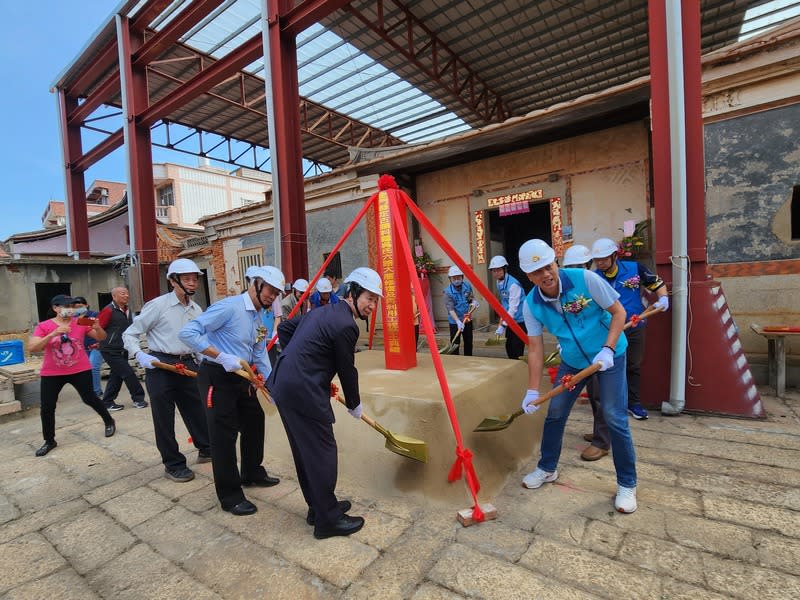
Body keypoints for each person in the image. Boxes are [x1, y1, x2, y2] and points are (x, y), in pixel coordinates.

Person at [517, 239, 639, 514]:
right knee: (555, 414)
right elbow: (535, 348)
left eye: (548, 267)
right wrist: (532, 390)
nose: (545, 275)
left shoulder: (585, 279)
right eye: (537, 272)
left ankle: (627, 484)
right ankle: (547, 468)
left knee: (614, 416)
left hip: (610, 357)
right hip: (572, 363)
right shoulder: (531, 304)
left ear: (555, 263)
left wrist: (608, 349)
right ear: (528, 275)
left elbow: (619, 313)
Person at [268, 267, 382, 539]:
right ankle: (328, 521)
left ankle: (318, 507)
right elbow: (347, 369)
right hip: (302, 392)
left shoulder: (320, 312)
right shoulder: (346, 325)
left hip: (285, 385)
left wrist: (305, 366)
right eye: (369, 297)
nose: (372, 305)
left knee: (305, 452)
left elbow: (285, 329)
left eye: (376, 300)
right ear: (353, 293)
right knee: (322, 454)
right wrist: (354, 404)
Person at [179, 265, 285, 516]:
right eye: (270, 289)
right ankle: (230, 494)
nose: (273, 296)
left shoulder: (260, 317)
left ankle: (252, 472)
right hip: (217, 376)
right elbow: (188, 333)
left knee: (254, 422)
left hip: (243, 377)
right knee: (223, 435)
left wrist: (271, 383)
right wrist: (220, 355)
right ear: (256, 284)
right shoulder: (229, 307)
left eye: (277, 292)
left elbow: (259, 353)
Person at [122, 259, 213, 483]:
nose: (193, 283)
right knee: (164, 417)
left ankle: (206, 448)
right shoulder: (158, 305)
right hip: (160, 365)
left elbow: (198, 340)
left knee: (197, 410)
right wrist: (139, 354)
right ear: (173, 281)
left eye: (195, 279)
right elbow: (130, 334)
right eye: (187, 279)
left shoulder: (196, 308)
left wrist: (205, 362)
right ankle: (173, 463)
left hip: (187, 363)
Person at [591, 237, 670, 420]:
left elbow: (657, 283)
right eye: (597, 259)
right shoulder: (593, 277)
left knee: (633, 365)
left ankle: (633, 404)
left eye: (604, 258)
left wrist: (663, 297)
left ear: (614, 256)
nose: (601, 263)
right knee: (607, 368)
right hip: (608, 329)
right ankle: (613, 406)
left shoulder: (635, 269)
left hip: (634, 325)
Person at [28, 295, 116, 456]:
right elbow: (33, 347)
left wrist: (97, 327)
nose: (70, 309)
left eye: (72, 306)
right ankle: (49, 440)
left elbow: (101, 337)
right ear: (56, 308)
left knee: (90, 398)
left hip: (80, 370)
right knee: (47, 406)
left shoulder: (81, 322)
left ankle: (109, 420)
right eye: (66, 306)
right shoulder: (44, 325)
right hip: (52, 372)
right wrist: (52, 334)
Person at [562, 244, 607, 461]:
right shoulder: (568, 290)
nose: (574, 271)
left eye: (579, 266)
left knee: (601, 397)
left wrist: (607, 348)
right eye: (570, 267)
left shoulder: (595, 284)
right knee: (593, 394)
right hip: (583, 353)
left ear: (588, 265)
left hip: (602, 352)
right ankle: (600, 432)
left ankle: (602, 442)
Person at [98, 287, 148, 411]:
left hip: (122, 348)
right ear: (114, 296)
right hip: (110, 349)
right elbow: (98, 328)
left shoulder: (127, 310)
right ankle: (138, 399)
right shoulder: (108, 310)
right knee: (128, 373)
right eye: (123, 294)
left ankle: (108, 402)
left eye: (127, 293)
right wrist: (97, 343)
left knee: (116, 376)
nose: (126, 296)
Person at [488, 255, 527, 360]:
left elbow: (513, 308)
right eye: (494, 271)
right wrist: (502, 320)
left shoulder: (513, 285)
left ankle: (519, 370)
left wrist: (502, 326)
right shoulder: (499, 282)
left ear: (504, 269)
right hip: (510, 320)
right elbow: (505, 304)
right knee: (509, 347)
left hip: (520, 320)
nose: (496, 273)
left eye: (498, 270)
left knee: (517, 349)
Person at [72, 296, 104, 401]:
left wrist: (77, 320)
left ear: (86, 305)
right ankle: (89, 391)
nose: (78, 309)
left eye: (80, 306)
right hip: (82, 348)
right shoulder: (73, 317)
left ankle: (96, 391)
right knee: (84, 371)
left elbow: (97, 325)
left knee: (93, 367)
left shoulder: (94, 314)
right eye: (75, 307)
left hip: (96, 346)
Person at [443, 265, 478, 356]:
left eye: (458, 277)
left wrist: (473, 302)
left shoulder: (467, 286)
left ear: (462, 277)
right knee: (455, 344)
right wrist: (458, 321)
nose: (456, 280)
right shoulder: (447, 292)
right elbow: (450, 309)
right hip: (455, 322)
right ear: (450, 279)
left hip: (467, 319)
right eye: (454, 278)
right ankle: (455, 361)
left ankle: (468, 359)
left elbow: (470, 298)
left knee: (468, 342)